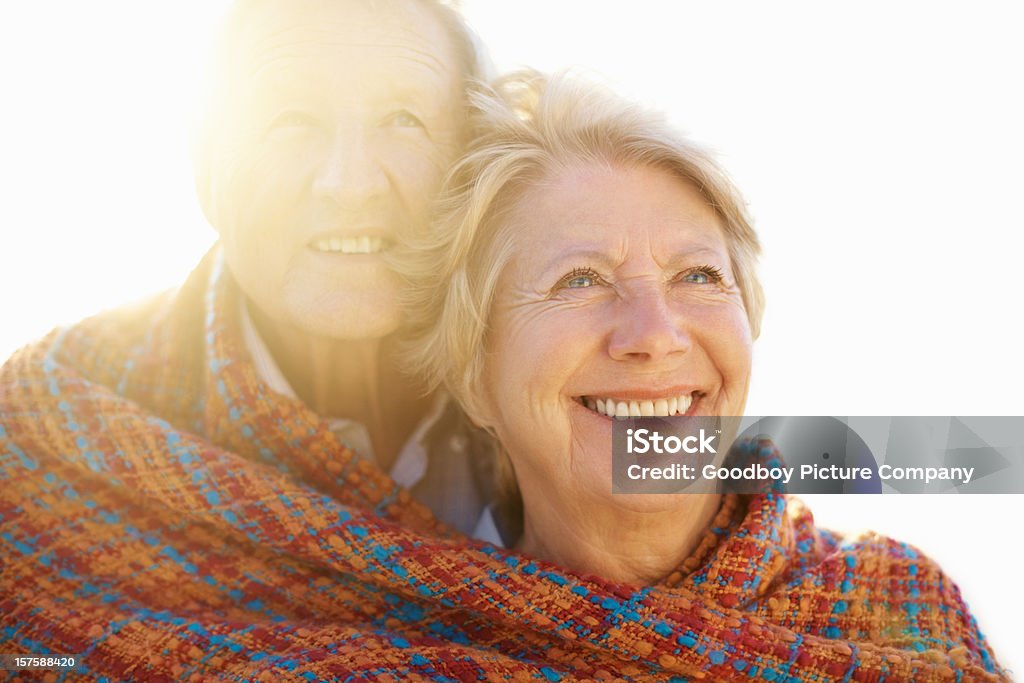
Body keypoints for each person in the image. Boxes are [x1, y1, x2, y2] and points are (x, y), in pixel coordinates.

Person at [393, 71, 1010, 679]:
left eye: (698, 276)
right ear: (473, 376)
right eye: (579, 280)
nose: (657, 335)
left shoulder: (904, 613)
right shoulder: (390, 658)